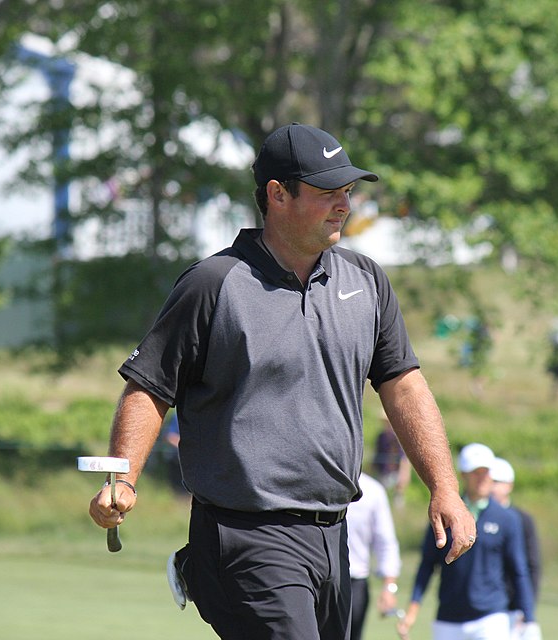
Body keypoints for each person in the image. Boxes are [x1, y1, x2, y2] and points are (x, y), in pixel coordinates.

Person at [88, 122, 476, 639]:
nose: (344, 205)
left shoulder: (366, 281)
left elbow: (404, 387)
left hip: (335, 535)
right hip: (244, 535)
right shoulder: (213, 284)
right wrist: (125, 480)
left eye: (348, 192)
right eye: (327, 192)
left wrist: (444, 488)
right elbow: (149, 388)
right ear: (277, 195)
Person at [398, 443, 538, 640]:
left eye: (486, 472)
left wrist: (528, 616)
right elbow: (427, 565)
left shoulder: (507, 519)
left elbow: (519, 570)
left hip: (491, 616)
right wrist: (413, 608)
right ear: (463, 474)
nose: (482, 478)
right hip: (448, 616)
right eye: (475, 472)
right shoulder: (443, 514)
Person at [490, 457, 542, 640]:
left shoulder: (522, 519)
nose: (492, 487)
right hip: (489, 608)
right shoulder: (476, 516)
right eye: (490, 481)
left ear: (509, 485)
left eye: (497, 482)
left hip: (514, 607)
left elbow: (532, 566)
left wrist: (527, 608)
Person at [346, 471, 402, 640]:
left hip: (354, 582)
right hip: (313, 576)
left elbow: (385, 542)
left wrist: (389, 588)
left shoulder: (373, 490)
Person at [371, 416, 412, 506]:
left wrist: (403, 473)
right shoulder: (381, 436)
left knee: (397, 495)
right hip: (382, 469)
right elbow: (377, 452)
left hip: (394, 471)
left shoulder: (399, 439)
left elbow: (403, 458)